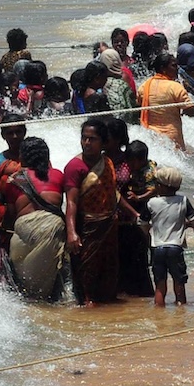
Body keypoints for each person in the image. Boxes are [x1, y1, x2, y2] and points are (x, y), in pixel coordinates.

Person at [65, 118, 130, 305]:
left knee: (109, 275)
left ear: (103, 142)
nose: (87, 143)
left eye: (92, 139)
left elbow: (113, 194)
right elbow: (71, 201)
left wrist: (133, 214)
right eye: (84, 138)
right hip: (87, 228)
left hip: (109, 226)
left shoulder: (107, 162)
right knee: (87, 276)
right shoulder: (74, 167)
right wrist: (71, 232)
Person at [2, 135, 67, 302]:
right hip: (52, 231)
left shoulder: (13, 180)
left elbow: (10, 217)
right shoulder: (58, 176)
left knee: (25, 292)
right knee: (49, 290)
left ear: (22, 156)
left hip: (23, 233)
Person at [147, 166, 188, 306]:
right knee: (179, 281)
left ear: (159, 185)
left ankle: (159, 310)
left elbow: (142, 222)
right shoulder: (183, 201)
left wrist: (149, 231)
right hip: (176, 247)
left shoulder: (152, 203)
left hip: (157, 247)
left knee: (160, 283)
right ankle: (181, 307)